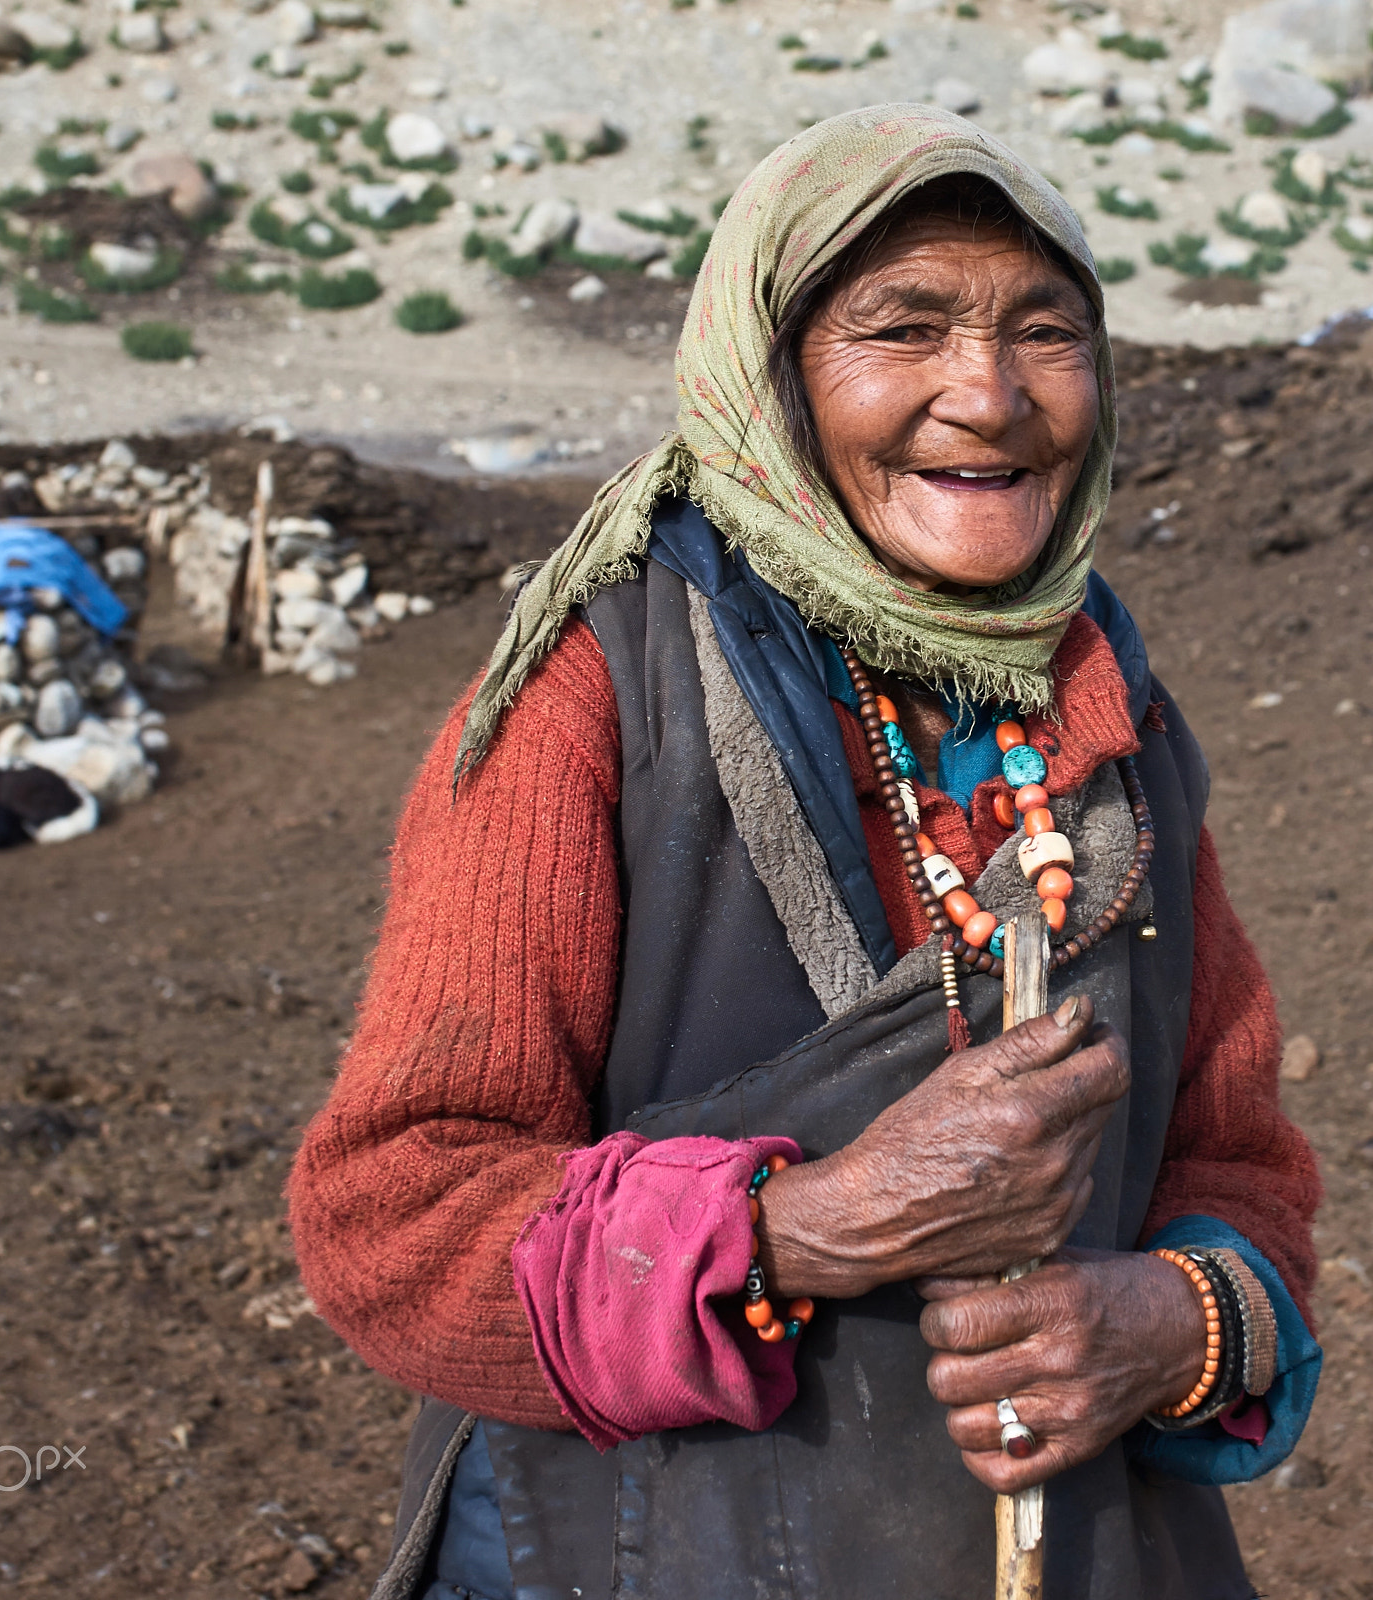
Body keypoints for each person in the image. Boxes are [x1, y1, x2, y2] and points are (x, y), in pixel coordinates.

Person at [289, 106, 1322, 1600]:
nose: (989, 395)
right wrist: (806, 1229)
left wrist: (1174, 1320)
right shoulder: (599, 698)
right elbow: (395, 1218)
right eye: (903, 328)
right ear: (770, 375)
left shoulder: (1113, 720)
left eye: (1047, 331)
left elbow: (1237, 1167)